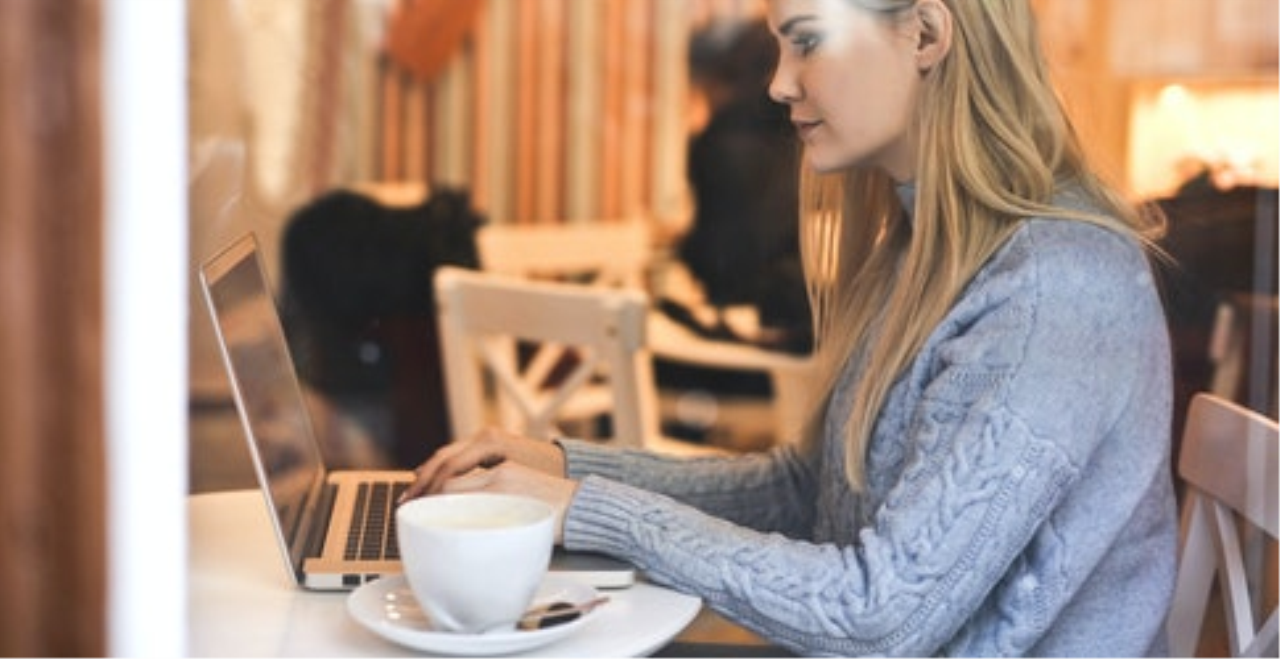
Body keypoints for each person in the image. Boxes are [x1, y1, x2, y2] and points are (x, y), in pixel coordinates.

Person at [402, 0, 1178, 655]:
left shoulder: (1054, 284)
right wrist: (566, 469)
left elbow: (879, 614)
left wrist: (585, 509)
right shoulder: (924, 247)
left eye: (807, 41)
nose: (778, 83)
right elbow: (808, 491)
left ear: (926, 34)